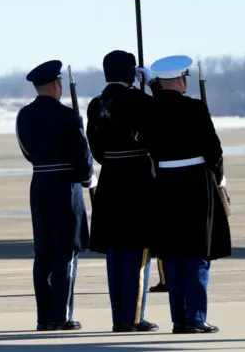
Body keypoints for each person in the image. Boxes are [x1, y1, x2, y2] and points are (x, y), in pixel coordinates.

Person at [147, 55, 232, 334]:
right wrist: (219, 179)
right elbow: (214, 150)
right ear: (181, 80)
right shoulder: (195, 108)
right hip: (196, 184)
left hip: (165, 184)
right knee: (196, 251)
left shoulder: (150, 110)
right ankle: (196, 318)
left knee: (172, 253)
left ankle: (179, 318)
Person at [15, 60, 95, 331]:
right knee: (67, 252)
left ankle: (44, 316)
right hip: (65, 185)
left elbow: (27, 152)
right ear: (56, 85)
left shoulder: (24, 115)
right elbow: (82, 154)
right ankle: (61, 314)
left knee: (44, 252)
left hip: (40, 183)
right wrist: (86, 178)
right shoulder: (68, 115)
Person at [85, 50, 158, 332]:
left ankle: (120, 315)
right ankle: (133, 317)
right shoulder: (141, 102)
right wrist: (152, 86)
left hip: (110, 179)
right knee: (137, 251)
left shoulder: (95, 104)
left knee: (115, 253)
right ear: (132, 74)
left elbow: (98, 150)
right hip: (137, 181)